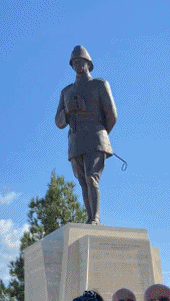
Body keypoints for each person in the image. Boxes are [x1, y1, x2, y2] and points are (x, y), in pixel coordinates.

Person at [55, 46, 117, 225]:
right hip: (76, 142)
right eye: (74, 62)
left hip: (95, 139)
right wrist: (68, 111)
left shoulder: (99, 85)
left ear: (89, 64)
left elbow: (112, 115)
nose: (77, 65)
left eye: (81, 61)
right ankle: (90, 217)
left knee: (92, 178)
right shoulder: (66, 92)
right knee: (83, 182)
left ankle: (95, 218)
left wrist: (100, 134)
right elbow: (58, 122)